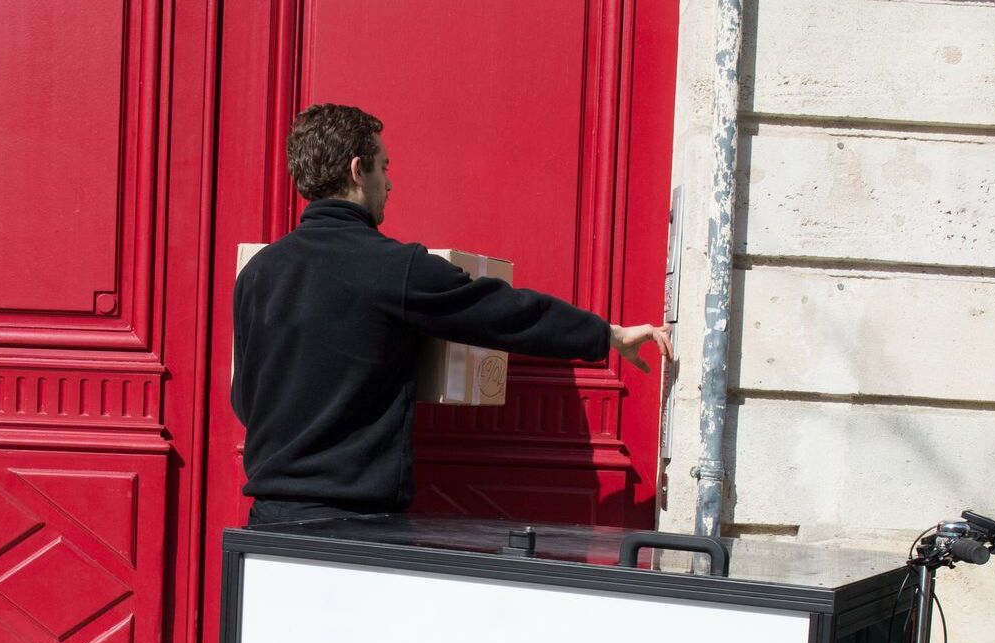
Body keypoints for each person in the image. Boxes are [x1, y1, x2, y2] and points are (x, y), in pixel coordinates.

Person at [231, 103, 673, 523]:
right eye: (384, 166)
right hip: (352, 523)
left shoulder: (257, 273)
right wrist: (606, 335)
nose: (389, 184)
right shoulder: (394, 268)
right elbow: (507, 314)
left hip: (266, 523)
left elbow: (245, 400)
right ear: (356, 170)